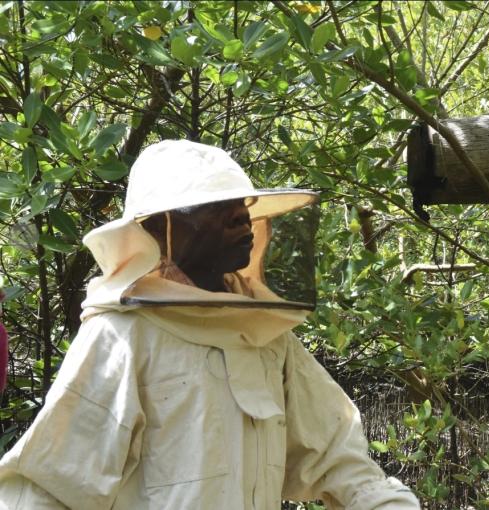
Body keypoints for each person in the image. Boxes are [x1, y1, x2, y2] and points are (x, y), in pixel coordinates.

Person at [0, 140, 420, 510]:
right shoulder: (122, 335)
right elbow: (49, 487)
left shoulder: (264, 333)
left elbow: (336, 456)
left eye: (241, 206)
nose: (240, 217)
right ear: (159, 226)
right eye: (215, 207)